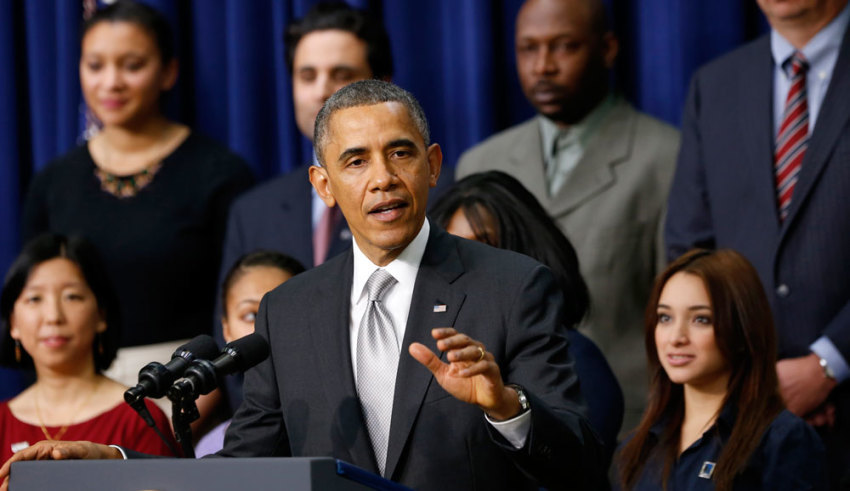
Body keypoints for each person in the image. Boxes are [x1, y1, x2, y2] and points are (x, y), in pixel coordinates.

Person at [0, 80, 606, 491]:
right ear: (323, 185)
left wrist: (507, 408)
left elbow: (580, 463)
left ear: (434, 164)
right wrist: (115, 467)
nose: (383, 179)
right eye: (356, 161)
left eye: (401, 154)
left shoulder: (513, 286)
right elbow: (241, 474)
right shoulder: (286, 312)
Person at [455, 0, 679, 432]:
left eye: (564, 47)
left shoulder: (666, 157)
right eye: (528, 49)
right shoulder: (481, 163)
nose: (543, 66)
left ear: (608, 48)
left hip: (625, 431)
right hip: (498, 429)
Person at [21, 0, 254, 397]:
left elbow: (239, 309)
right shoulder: (53, 182)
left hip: (190, 388)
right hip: (75, 390)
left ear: (168, 72)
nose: (111, 83)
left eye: (131, 66)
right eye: (95, 66)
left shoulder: (219, 173)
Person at [665, 0, 850, 486]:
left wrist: (828, 364)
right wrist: (749, 375)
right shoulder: (717, 84)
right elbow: (690, 250)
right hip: (742, 420)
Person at [429, 170, 623, 464]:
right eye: (455, 252)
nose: (466, 268)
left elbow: (573, 471)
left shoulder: (576, 357)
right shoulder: (440, 360)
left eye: (484, 247)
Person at [617, 249, 826, 490]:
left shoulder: (781, 441)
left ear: (742, 329)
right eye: (665, 318)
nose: (675, 337)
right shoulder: (638, 446)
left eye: (701, 319)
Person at [220, 1, 393, 274]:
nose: (321, 92)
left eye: (342, 75)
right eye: (307, 76)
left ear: (383, 86)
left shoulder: (431, 194)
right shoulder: (252, 213)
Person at [0, 234, 177, 463]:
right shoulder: (2, 421)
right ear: (13, 322)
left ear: (101, 315)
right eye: (35, 299)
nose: (53, 316)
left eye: (71, 297)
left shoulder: (139, 418)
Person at [195, 251, 304, 457]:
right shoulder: (211, 445)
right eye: (251, 315)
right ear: (226, 328)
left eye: (280, 312)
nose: (264, 327)